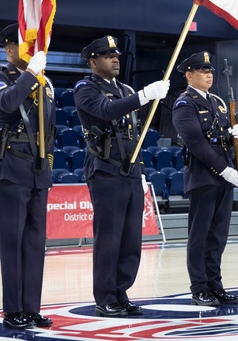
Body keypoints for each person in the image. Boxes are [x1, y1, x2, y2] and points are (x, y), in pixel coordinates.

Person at [74, 35, 170, 317]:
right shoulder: (85, 88)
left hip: (131, 171)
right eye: (107, 55)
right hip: (105, 169)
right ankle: (105, 297)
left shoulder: (125, 88)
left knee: (131, 239)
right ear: (93, 61)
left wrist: (140, 171)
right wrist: (143, 96)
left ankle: (121, 293)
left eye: (116, 55)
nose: (115, 59)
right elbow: (106, 111)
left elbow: (136, 133)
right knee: (109, 237)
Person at [0, 24, 55, 329]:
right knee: (13, 241)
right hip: (11, 165)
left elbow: (49, 128)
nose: (31, 52)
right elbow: (8, 103)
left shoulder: (44, 81)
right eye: (24, 46)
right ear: (9, 49)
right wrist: (30, 75)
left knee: (36, 243)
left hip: (38, 168)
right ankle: (13, 309)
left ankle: (31, 306)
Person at [171, 51, 238, 306]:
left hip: (224, 178)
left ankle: (215, 285)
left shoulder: (218, 102)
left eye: (210, 71)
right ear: (189, 75)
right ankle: (199, 288)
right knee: (200, 237)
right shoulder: (184, 103)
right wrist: (223, 169)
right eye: (203, 71)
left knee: (217, 237)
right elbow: (196, 143)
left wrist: (237, 132)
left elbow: (222, 137)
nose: (209, 75)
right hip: (203, 177)